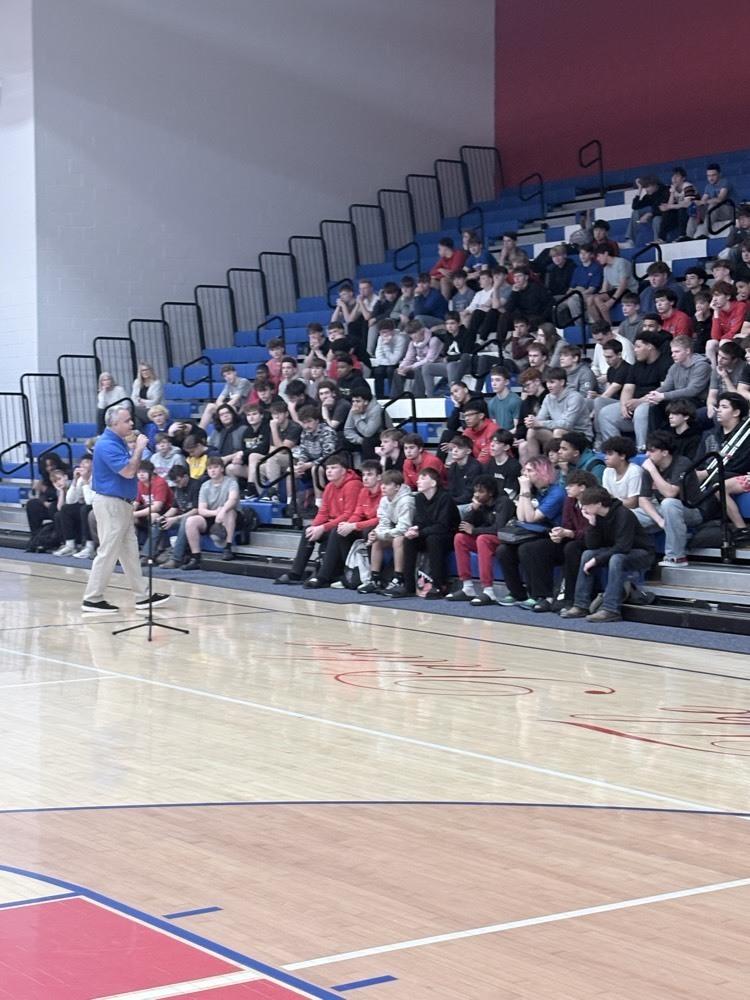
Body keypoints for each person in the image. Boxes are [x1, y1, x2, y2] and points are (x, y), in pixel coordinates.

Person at [81, 406, 170, 613]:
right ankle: (92, 598)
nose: (132, 424)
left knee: (130, 551)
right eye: (127, 421)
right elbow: (129, 472)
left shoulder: (116, 442)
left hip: (122, 504)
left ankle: (142, 595)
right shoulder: (106, 445)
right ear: (114, 424)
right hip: (111, 503)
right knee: (108, 551)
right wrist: (138, 448)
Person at [560, 486, 655, 623]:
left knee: (616, 559)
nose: (583, 509)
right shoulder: (597, 516)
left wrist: (597, 561)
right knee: (587, 554)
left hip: (642, 552)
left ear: (598, 504)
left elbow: (623, 547)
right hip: (618, 550)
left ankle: (611, 609)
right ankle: (581, 605)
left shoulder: (623, 514)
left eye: (586, 505)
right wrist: (592, 524)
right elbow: (592, 545)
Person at [275, 453, 361, 584]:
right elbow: (323, 512)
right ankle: (296, 573)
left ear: (343, 471)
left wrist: (323, 527)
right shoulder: (329, 486)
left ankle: (323, 576)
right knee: (308, 530)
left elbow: (348, 515)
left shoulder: (353, 485)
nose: (329, 471)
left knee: (334, 531)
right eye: (327, 468)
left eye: (333, 468)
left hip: (351, 527)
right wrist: (315, 527)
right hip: (335, 525)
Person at [495, 456, 567, 607]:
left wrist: (525, 490)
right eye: (525, 470)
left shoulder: (556, 493)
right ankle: (517, 593)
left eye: (530, 470)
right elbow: (522, 517)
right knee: (503, 550)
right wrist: (524, 490)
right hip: (532, 534)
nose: (525, 474)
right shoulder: (534, 490)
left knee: (528, 549)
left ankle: (541, 595)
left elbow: (531, 518)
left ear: (541, 471)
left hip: (555, 538)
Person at [304, 461, 383, 589]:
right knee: (339, 531)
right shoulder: (363, 491)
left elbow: (380, 519)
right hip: (364, 525)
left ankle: (372, 578)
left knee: (367, 531)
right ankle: (345, 574)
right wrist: (347, 524)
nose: (366, 478)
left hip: (382, 527)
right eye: (364, 475)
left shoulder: (383, 492)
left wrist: (354, 526)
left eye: (370, 475)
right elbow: (357, 513)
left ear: (379, 477)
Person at [633, 430, 703, 568]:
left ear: (665, 452)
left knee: (669, 503)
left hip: (691, 510)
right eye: (647, 450)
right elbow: (643, 499)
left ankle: (677, 557)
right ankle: (636, 556)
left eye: (652, 451)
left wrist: (652, 471)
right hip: (663, 511)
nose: (647, 455)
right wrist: (659, 521)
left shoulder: (682, 463)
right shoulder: (650, 466)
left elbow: (670, 493)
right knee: (627, 515)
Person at [595, 333, 672, 451]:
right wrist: (623, 406)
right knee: (606, 413)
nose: (634, 350)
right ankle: (616, 449)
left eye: (638, 347)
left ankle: (642, 448)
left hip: (655, 404)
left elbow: (663, 389)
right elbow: (628, 388)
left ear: (650, 346)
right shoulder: (637, 365)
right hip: (634, 404)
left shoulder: (665, 363)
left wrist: (640, 401)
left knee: (641, 410)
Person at [399, 467, 460, 599]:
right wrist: (414, 529)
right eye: (419, 477)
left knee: (433, 539)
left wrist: (420, 532)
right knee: (408, 539)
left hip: (448, 536)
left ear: (433, 483)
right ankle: (408, 585)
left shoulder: (445, 498)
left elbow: (443, 526)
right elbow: (419, 520)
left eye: (423, 478)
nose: (418, 481)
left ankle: (438, 586)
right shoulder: (419, 498)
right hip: (429, 533)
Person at [695, 392, 750, 534]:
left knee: (716, 481)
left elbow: (741, 465)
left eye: (724, 407)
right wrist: (700, 473)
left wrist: (707, 473)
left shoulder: (746, 435)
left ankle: (700, 517)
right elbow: (698, 461)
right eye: (719, 406)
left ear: (736, 412)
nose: (718, 410)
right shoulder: (710, 435)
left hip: (733, 475)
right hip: (709, 476)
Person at [357, 469, 416, 595]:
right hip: (397, 530)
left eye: (387, 484)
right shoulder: (384, 500)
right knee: (377, 540)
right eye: (382, 483)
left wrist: (382, 534)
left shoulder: (407, 501)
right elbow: (383, 523)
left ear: (397, 487)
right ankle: (375, 579)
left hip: (413, 534)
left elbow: (404, 528)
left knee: (398, 539)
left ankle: (398, 579)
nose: (383, 487)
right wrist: (376, 533)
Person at [181, 456, 241, 569]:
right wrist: (216, 513)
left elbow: (232, 500)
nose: (212, 470)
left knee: (229, 511)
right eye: (209, 468)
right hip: (213, 516)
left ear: (222, 469)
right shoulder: (205, 486)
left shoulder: (231, 482)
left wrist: (222, 511)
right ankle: (196, 557)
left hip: (231, 516)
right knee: (191, 521)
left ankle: (228, 548)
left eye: (216, 467)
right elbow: (201, 510)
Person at [523, 367, 592, 457]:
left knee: (558, 432)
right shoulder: (548, 398)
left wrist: (540, 423)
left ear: (562, 382)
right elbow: (540, 419)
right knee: (532, 431)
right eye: (547, 382)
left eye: (552, 382)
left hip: (582, 436)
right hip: (559, 433)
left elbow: (566, 424)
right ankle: (535, 464)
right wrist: (532, 422)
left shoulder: (575, 398)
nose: (548, 386)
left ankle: (560, 465)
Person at [156, 464, 201, 568]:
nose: (177, 484)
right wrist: (163, 517)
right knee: (158, 521)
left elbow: (196, 510)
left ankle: (176, 558)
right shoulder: (178, 488)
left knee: (186, 520)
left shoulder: (196, 486)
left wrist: (175, 518)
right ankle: (148, 555)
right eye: (175, 482)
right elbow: (174, 508)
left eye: (178, 481)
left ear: (185, 476)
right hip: (181, 518)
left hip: (194, 518)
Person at [225, 404, 271, 498]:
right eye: (248, 415)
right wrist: (241, 459)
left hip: (265, 463)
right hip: (252, 467)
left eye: (254, 414)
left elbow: (264, 448)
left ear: (261, 415)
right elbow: (244, 450)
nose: (251, 417)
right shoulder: (246, 432)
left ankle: (251, 488)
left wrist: (243, 454)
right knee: (230, 468)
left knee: (253, 456)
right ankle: (235, 495)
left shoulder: (267, 428)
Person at [390, 319, 444, 397]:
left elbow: (429, 360)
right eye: (411, 334)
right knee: (397, 371)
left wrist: (410, 367)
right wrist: (402, 367)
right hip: (417, 366)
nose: (413, 336)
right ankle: (394, 397)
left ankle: (417, 396)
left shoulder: (434, 340)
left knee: (419, 369)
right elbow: (409, 358)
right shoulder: (412, 343)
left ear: (421, 330)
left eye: (415, 332)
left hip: (434, 366)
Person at [589, 246, 638, 324]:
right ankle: (600, 325)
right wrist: (594, 296)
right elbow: (604, 289)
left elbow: (623, 284)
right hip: (616, 289)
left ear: (606, 253)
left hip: (629, 289)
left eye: (598, 256)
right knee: (590, 299)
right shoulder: (606, 269)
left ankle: (608, 326)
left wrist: (611, 301)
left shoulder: (620, 262)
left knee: (597, 299)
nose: (597, 259)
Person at [26, 451, 71, 537]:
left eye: (52, 465)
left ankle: (60, 537)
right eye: (47, 466)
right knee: (32, 504)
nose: (50, 468)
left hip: (64, 503)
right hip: (51, 504)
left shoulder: (66, 473)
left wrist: (44, 489)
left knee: (53, 506)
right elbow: (42, 495)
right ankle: (36, 536)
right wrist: (44, 502)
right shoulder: (46, 476)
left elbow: (61, 491)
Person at [199, 364, 252, 430]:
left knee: (229, 409)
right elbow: (219, 400)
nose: (227, 377)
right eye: (225, 376)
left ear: (235, 372)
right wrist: (222, 407)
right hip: (233, 408)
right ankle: (200, 431)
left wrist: (223, 408)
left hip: (244, 409)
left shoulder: (243, 382)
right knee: (210, 406)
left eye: (229, 374)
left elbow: (234, 400)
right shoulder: (228, 384)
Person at [622, 174, 670, 246]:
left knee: (656, 219)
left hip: (668, 218)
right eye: (645, 187)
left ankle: (659, 242)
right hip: (654, 217)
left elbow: (665, 209)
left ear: (654, 184)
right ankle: (630, 241)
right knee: (636, 212)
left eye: (647, 187)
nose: (646, 190)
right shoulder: (649, 195)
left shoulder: (666, 190)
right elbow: (635, 206)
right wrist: (640, 189)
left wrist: (650, 214)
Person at [343, 385, 384, 460]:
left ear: (366, 402)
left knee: (368, 441)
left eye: (358, 401)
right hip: (362, 437)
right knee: (340, 438)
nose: (355, 404)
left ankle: (370, 467)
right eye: (353, 401)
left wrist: (356, 415)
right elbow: (347, 429)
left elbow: (368, 433)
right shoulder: (354, 408)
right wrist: (359, 439)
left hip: (380, 435)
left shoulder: (376, 409)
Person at [601, 436, 642, 508]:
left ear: (622, 456)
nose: (605, 457)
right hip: (617, 509)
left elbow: (633, 503)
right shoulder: (607, 471)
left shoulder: (634, 471)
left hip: (639, 511)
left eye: (610, 454)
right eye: (606, 454)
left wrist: (612, 500)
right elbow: (606, 497)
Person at [371, 319, 408, 397]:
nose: (384, 335)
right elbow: (379, 358)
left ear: (392, 331)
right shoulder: (380, 338)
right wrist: (388, 361)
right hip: (386, 362)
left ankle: (393, 396)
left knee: (390, 370)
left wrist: (386, 345)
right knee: (378, 371)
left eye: (385, 332)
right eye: (381, 332)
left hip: (399, 363)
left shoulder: (400, 339)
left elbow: (394, 360)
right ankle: (379, 397)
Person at [447, 434, 483, 510]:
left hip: (471, 504)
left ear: (468, 451)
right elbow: (451, 489)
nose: (455, 450)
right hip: (455, 502)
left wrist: (449, 502)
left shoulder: (475, 468)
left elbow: (469, 495)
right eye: (453, 447)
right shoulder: (453, 466)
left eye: (459, 448)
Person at [483, 429, 521, 498]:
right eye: (491, 441)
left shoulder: (514, 466)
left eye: (497, 442)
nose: (492, 445)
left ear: (506, 447)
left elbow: (511, 493)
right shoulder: (489, 464)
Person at [429, 237, 468, 303]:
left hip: (458, 278)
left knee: (444, 280)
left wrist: (436, 276)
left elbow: (452, 274)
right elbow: (431, 272)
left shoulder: (458, 255)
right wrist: (440, 270)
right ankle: (432, 304)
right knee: (433, 281)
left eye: (439, 249)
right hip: (449, 278)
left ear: (445, 248)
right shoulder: (443, 258)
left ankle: (444, 304)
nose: (438, 251)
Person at [487, 366, 521, 432]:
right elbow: (494, 426)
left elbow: (517, 428)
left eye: (497, 380)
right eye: (492, 380)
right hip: (499, 437)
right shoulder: (491, 403)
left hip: (511, 437)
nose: (493, 384)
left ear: (506, 382)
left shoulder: (515, 400)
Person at [131, 361, 164, 427]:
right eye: (143, 370)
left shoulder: (156, 383)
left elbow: (154, 402)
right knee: (136, 419)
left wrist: (140, 400)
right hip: (140, 410)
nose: (145, 372)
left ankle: (137, 434)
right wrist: (142, 403)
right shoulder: (137, 382)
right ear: (140, 372)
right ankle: (139, 433)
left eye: (147, 369)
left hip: (153, 411)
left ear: (151, 370)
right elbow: (133, 398)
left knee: (132, 411)